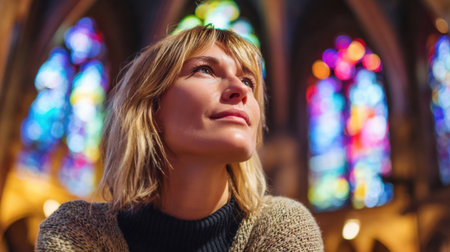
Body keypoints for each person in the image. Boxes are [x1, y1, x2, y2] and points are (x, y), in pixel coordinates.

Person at [36, 25, 323, 251]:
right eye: (205, 70)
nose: (240, 89)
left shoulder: (282, 227)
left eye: (249, 80)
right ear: (151, 106)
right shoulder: (77, 232)